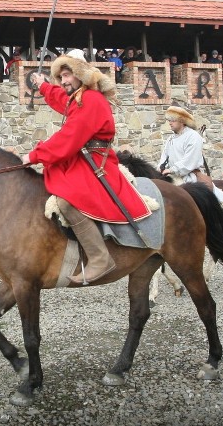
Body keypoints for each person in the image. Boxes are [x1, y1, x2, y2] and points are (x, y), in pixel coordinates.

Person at [21, 56, 150, 284]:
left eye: (67, 75)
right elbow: (62, 99)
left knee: (66, 200)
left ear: (80, 75)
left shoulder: (91, 100)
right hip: (83, 158)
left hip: (96, 163)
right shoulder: (80, 97)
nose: (64, 81)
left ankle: (100, 258)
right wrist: (43, 85)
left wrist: (34, 155)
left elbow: (69, 138)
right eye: (61, 77)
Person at [158, 106, 223, 207]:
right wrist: (160, 168)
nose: (170, 123)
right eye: (169, 120)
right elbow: (164, 157)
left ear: (182, 121)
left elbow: (190, 161)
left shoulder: (193, 136)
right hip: (172, 175)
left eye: (173, 120)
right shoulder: (170, 139)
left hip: (190, 177)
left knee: (208, 204)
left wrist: (172, 170)